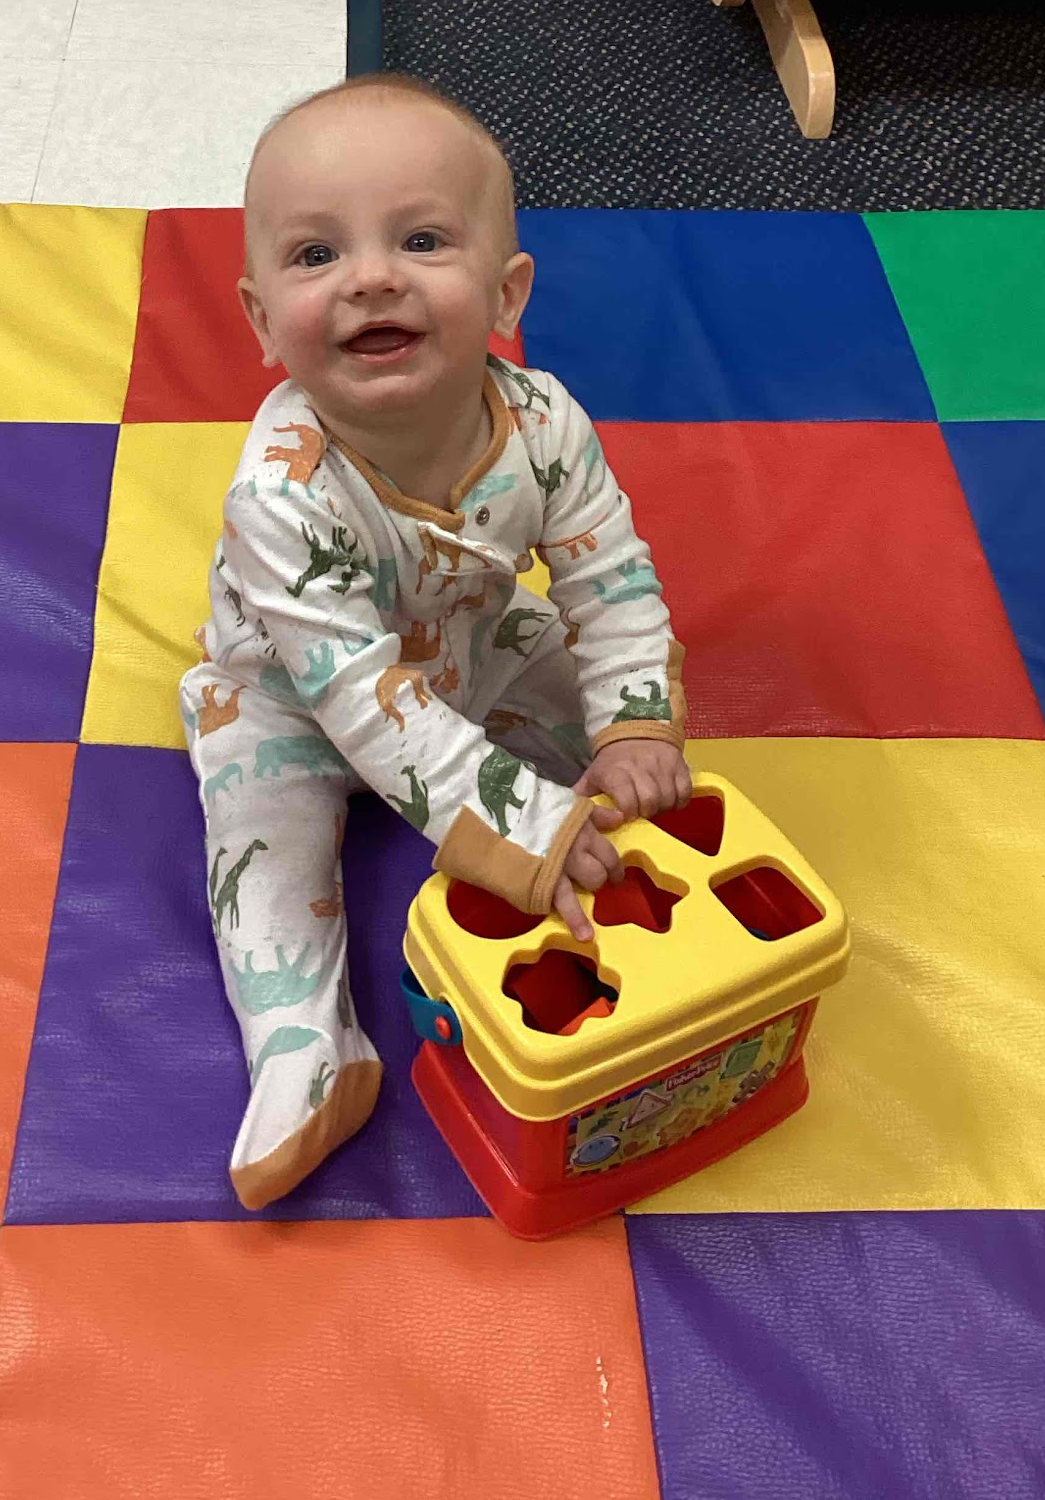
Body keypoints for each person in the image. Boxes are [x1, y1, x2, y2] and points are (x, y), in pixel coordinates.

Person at [182, 73, 690, 1210]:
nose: (370, 277)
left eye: (420, 240)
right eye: (317, 255)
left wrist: (633, 722)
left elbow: (608, 578)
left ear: (506, 293)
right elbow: (368, 704)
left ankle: (647, 882)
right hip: (295, 696)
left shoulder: (544, 420)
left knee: (624, 757)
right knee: (263, 848)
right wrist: (523, 826)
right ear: (261, 321)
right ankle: (306, 1049)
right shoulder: (281, 495)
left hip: (474, 642)